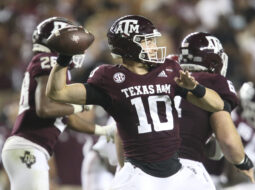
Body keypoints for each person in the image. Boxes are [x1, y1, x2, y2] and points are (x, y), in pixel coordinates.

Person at [46, 15, 226, 190]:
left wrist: (196, 88)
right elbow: (58, 92)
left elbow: (217, 105)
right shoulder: (110, 78)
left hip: (176, 171)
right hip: (138, 174)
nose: (154, 46)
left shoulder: (169, 70)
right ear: (130, 46)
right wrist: (64, 58)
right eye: (147, 41)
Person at [0, 17, 112, 190]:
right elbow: (45, 108)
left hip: (29, 148)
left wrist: (102, 130)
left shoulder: (54, 67)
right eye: (71, 40)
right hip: (28, 146)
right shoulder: (49, 60)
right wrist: (79, 106)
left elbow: (69, 119)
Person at [172, 32, 254, 189]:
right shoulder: (215, 82)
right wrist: (243, 162)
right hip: (185, 168)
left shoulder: (162, 77)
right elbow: (228, 141)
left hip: (145, 165)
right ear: (215, 60)